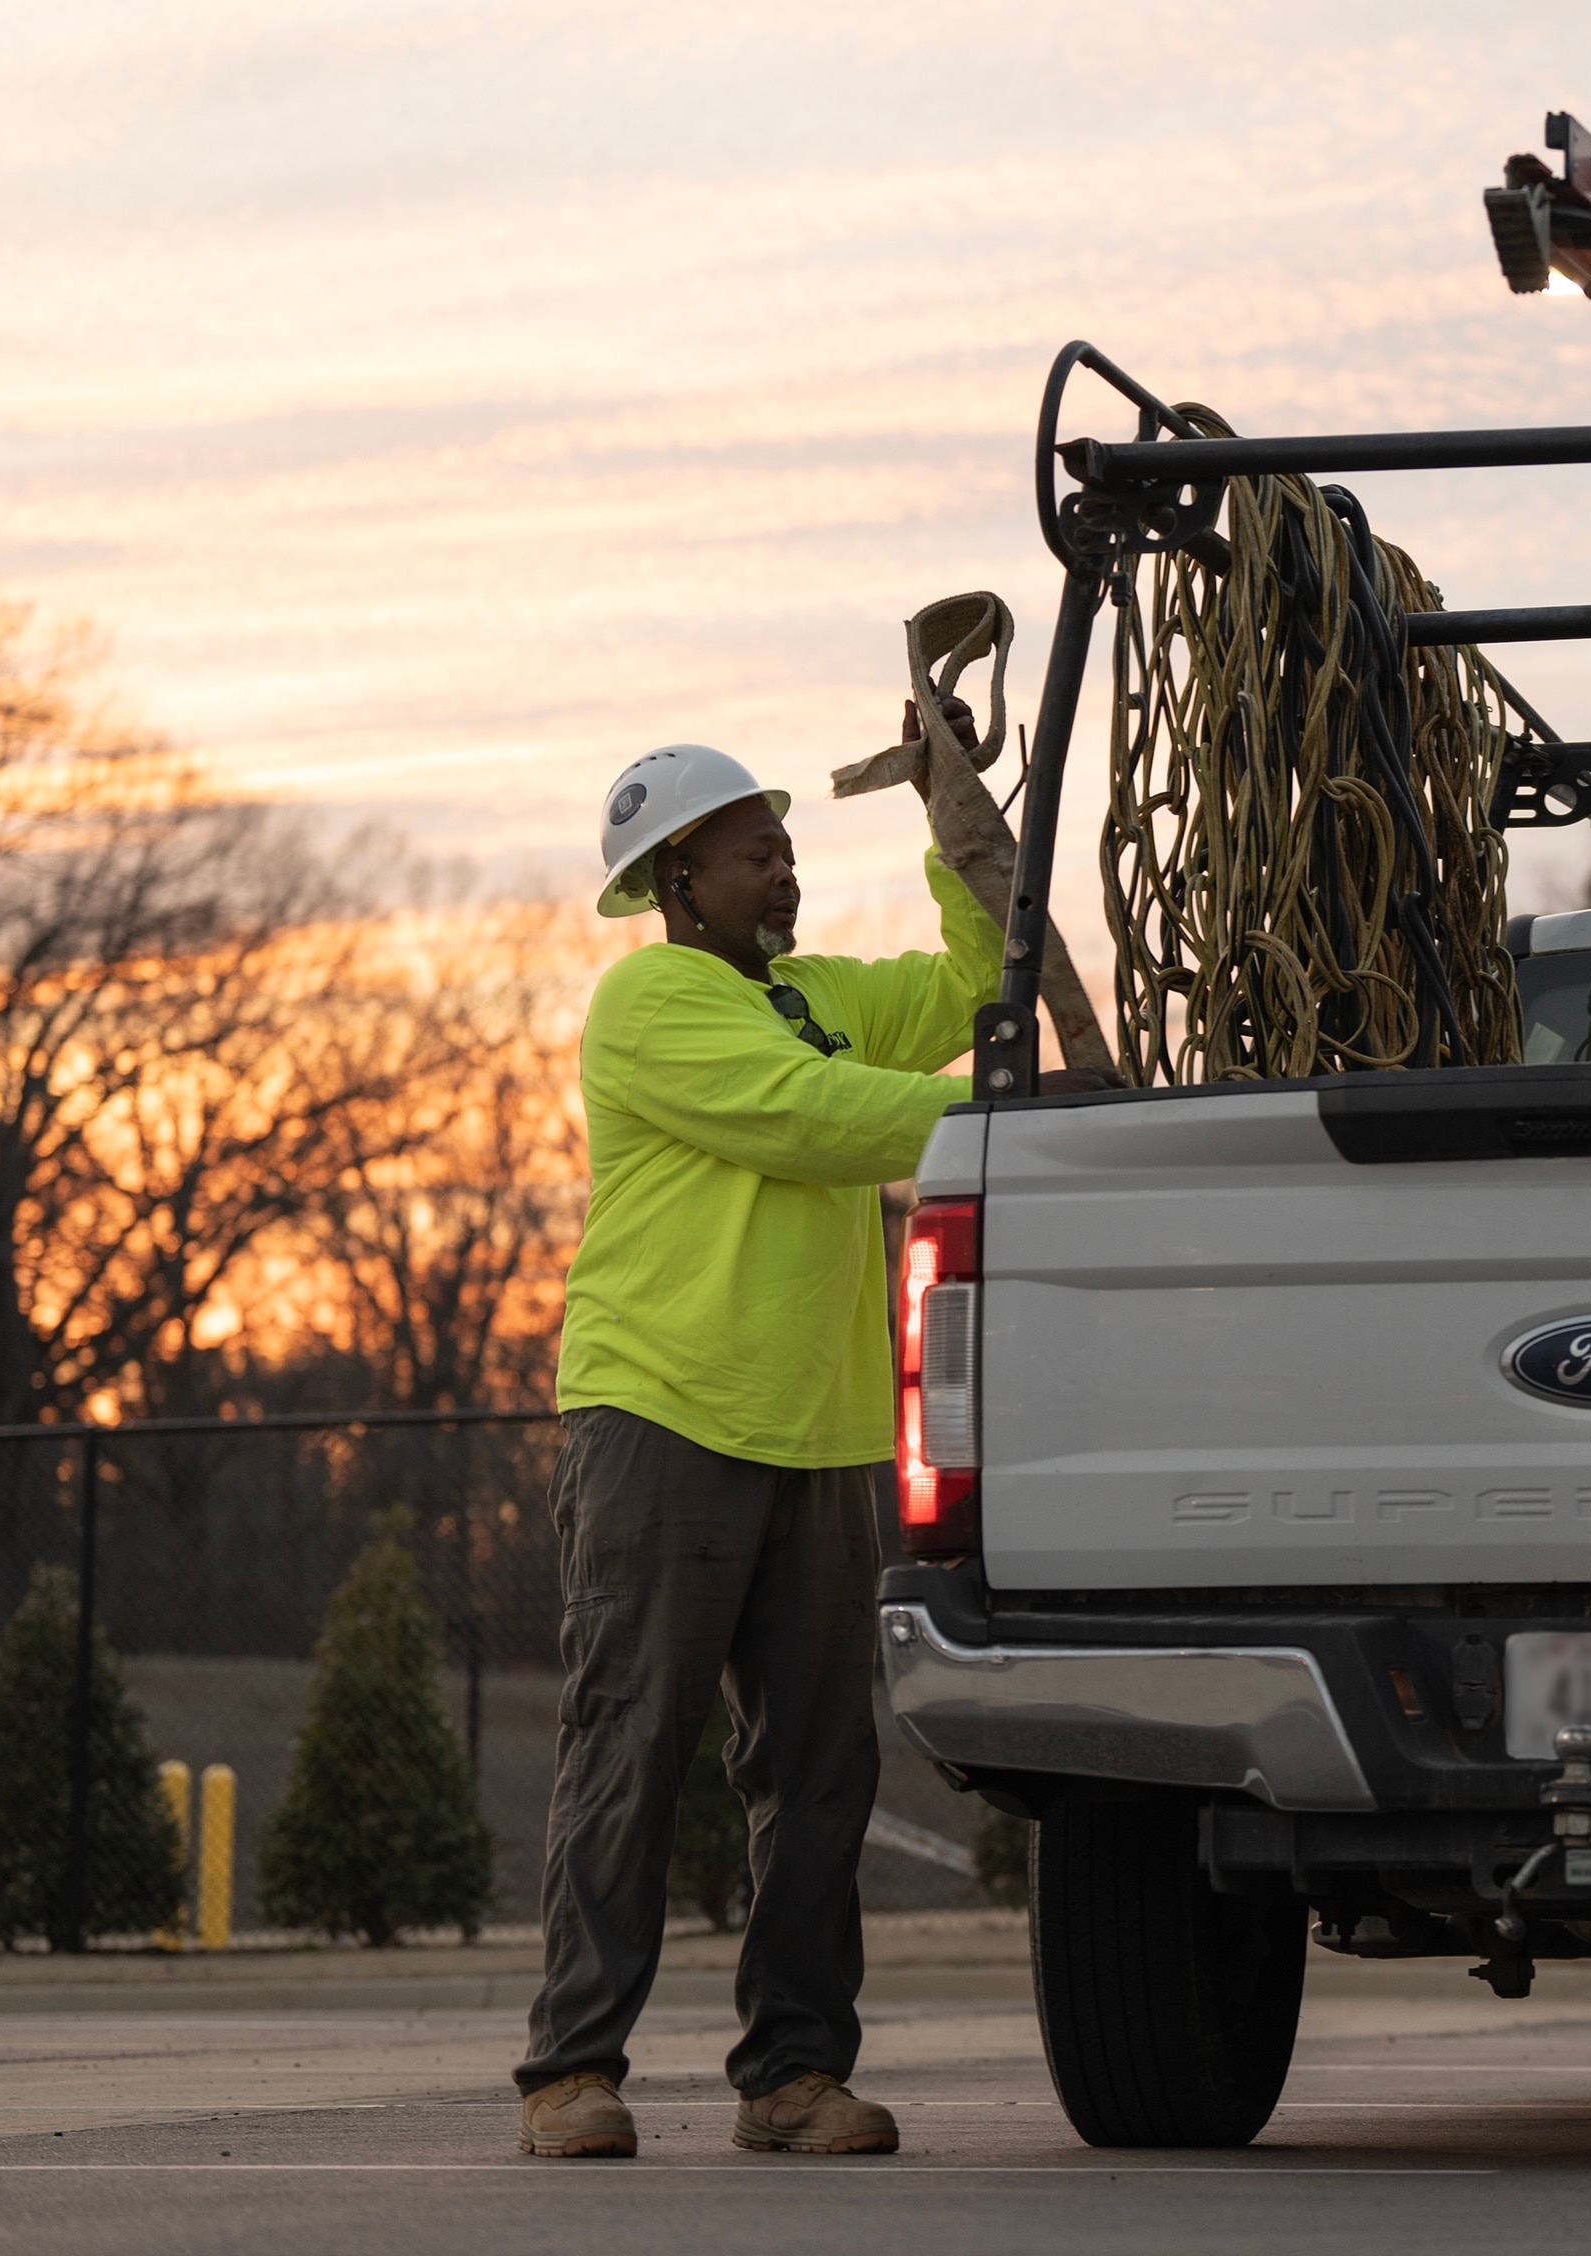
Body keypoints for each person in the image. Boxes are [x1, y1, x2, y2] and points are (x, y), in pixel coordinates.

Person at [515, 717, 993, 2160]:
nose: (781, 870)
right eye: (750, 853)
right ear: (677, 880)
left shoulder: (826, 995)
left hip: (824, 1431)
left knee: (819, 1769)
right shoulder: (650, 1007)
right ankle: (571, 2074)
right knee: (633, 1745)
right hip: (662, 1411)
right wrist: (1004, 1115)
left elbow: (980, 984)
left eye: (784, 847)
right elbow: (810, 1119)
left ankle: (792, 2078)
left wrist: (954, 813)